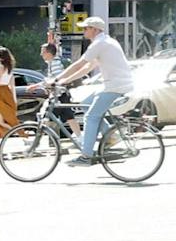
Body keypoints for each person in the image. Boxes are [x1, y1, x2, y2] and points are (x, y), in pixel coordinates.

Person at [54, 15, 136, 165]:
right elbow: (88, 67)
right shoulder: (106, 42)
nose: (83, 30)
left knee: (91, 117)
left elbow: (79, 64)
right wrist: (65, 80)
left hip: (115, 85)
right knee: (86, 104)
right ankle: (110, 136)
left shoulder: (99, 43)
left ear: (95, 29)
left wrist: (55, 79)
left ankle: (86, 156)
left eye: (86, 28)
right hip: (114, 84)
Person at [0, 47, 20, 141]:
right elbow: (12, 85)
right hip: (6, 93)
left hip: (0, 93)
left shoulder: (1, 67)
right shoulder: (9, 68)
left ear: (1, 57)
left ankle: (20, 135)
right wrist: (14, 99)